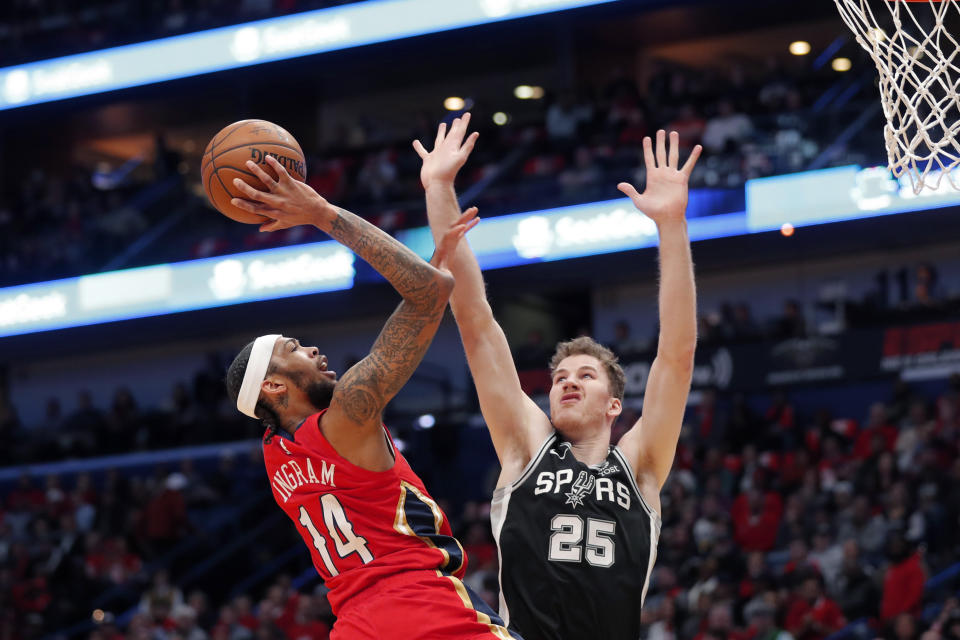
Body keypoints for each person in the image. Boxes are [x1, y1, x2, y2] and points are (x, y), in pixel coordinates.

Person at [224, 137, 520, 639]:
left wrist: (430, 272)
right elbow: (429, 294)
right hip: (426, 613)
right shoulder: (346, 418)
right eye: (294, 348)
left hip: (357, 627)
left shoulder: (276, 453)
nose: (314, 351)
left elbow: (427, 290)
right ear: (273, 385)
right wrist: (319, 212)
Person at [416, 121, 701, 639]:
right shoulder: (526, 447)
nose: (568, 383)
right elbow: (476, 324)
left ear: (615, 405)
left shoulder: (641, 465)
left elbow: (677, 356)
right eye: (561, 377)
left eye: (586, 376)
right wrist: (439, 189)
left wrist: (671, 225)